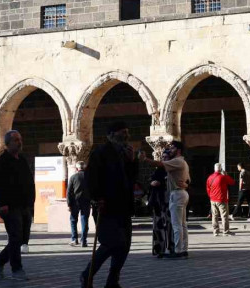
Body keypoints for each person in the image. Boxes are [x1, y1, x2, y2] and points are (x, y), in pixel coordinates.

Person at [81, 122, 139, 288]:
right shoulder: (100, 153)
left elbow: (131, 178)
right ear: (111, 135)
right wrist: (96, 197)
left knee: (125, 246)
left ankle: (112, 281)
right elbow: (91, 178)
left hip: (123, 207)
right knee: (112, 243)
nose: (126, 136)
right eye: (123, 132)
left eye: (127, 132)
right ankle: (87, 275)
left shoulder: (125, 153)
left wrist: (132, 161)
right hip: (105, 207)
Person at [0, 130, 35, 281]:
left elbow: (29, 181)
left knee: (22, 238)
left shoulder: (22, 159)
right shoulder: (1, 162)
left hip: (25, 205)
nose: (19, 142)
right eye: (16, 140)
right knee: (15, 237)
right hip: (10, 206)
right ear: (8, 143)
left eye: (20, 139)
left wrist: (31, 202)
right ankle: (17, 269)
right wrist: (2, 204)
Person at [140, 140, 190, 260]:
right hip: (182, 193)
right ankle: (183, 249)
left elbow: (160, 164)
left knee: (177, 225)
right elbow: (188, 180)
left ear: (178, 150)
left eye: (172, 148)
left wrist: (145, 159)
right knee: (182, 225)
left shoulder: (177, 161)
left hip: (177, 193)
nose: (170, 150)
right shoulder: (183, 162)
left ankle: (178, 251)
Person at [147, 157, 173, 258]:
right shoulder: (158, 171)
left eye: (166, 158)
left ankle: (171, 247)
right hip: (158, 202)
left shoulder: (172, 171)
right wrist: (152, 183)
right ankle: (159, 248)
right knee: (158, 226)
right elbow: (151, 181)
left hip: (168, 201)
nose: (163, 161)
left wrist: (161, 183)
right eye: (162, 158)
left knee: (170, 225)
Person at [206, 163, 235, 237]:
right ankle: (226, 231)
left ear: (214, 169)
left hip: (213, 199)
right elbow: (232, 182)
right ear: (220, 169)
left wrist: (211, 196)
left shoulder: (210, 177)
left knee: (214, 216)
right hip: (221, 199)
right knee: (224, 215)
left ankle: (215, 231)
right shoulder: (223, 177)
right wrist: (226, 174)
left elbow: (208, 188)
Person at [67, 161, 90, 248]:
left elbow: (69, 192)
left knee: (73, 220)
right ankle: (83, 241)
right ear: (85, 168)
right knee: (84, 221)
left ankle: (74, 239)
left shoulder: (73, 177)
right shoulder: (89, 177)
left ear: (77, 169)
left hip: (75, 202)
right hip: (86, 202)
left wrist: (69, 204)